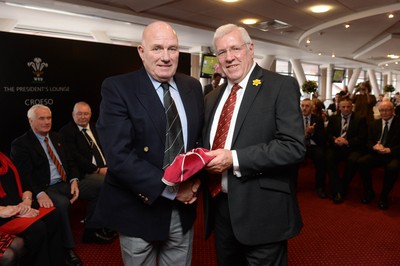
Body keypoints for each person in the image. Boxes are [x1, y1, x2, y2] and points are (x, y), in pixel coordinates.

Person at [91, 21, 204, 265]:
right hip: (139, 209)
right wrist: (174, 191)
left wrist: (195, 181)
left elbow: (197, 142)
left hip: (183, 211)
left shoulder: (192, 87)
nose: (165, 57)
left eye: (172, 49)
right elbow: (119, 156)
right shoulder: (118, 88)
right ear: (141, 52)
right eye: (157, 48)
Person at [202, 24, 305, 266]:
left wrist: (234, 158)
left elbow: (293, 147)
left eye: (235, 48)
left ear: (250, 49)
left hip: (263, 210)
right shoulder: (211, 98)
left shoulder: (280, 86)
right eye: (222, 52)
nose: (229, 57)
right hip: (221, 208)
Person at [10, 104, 107, 266]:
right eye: (42, 118)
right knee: (61, 204)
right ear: (30, 121)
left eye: (49, 118)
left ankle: (92, 229)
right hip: (45, 187)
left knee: (103, 183)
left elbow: (71, 163)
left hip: (66, 182)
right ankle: (67, 249)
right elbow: (24, 176)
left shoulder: (57, 137)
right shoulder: (21, 144)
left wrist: (74, 180)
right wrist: (40, 193)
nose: (47, 122)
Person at [59, 101, 116, 243]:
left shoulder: (96, 127)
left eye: (86, 113)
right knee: (105, 183)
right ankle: (93, 229)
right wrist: (98, 169)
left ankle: (108, 223)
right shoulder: (66, 132)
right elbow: (75, 158)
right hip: (86, 172)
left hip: (107, 167)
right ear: (73, 115)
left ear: (90, 114)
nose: (83, 117)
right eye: (79, 114)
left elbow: (109, 147)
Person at [0, 151, 64, 266]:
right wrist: (15, 210)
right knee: (37, 228)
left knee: (54, 214)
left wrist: (26, 202)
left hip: (20, 205)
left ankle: (57, 262)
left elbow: (25, 185)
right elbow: (5, 211)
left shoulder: (4, 158)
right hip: (3, 214)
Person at [357, 100, 400, 210]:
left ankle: (384, 196)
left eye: (387, 110)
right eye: (382, 110)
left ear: (393, 110)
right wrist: (374, 147)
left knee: (392, 167)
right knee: (361, 162)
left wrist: (389, 150)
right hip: (377, 153)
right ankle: (369, 191)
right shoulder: (374, 124)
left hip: (393, 154)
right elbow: (368, 141)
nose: (384, 113)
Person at [325, 97, 367, 204]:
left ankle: (341, 187)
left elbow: (362, 138)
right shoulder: (333, 118)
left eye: (348, 106)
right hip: (336, 147)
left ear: (352, 107)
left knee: (353, 161)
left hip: (353, 148)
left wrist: (347, 142)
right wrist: (335, 140)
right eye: (343, 107)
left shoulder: (360, 119)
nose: (346, 109)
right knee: (328, 158)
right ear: (339, 107)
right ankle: (338, 188)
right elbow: (328, 134)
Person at [301, 98, 327, 198]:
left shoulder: (318, 120)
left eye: (307, 106)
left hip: (313, 144)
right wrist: (305, 133)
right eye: (302, 106)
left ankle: (320, 187)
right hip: (300, 144)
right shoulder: (296, 118)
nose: (304, 108)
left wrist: (312, 133)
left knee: (321, 158)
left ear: (311, 108)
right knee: (291, 158)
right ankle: (291, 186)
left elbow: (322, 139)